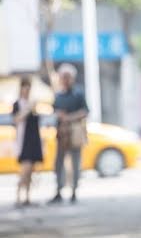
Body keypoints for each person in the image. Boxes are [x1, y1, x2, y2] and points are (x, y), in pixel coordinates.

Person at [49, 63, 88, 204]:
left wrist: (69, 117)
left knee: (75, 162)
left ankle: (74, 191)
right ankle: (59, 190)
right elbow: (53, 111)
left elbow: (85, 111)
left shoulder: (78, 94)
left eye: (68, 77)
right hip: (61, 134)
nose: (65, 79)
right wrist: (59, 115)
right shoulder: (58, 95)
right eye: (63, 77)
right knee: (59, 162)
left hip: (75, 133)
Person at [12, 76, 44, 207]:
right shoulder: (18, 104)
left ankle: (28, 197)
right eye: (25, 87)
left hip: (33, 139)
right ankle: (19, 195)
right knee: (25, 169)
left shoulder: (33, 103)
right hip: (23, 140)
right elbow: (16, 120)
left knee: (31, 170)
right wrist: (28, 108)